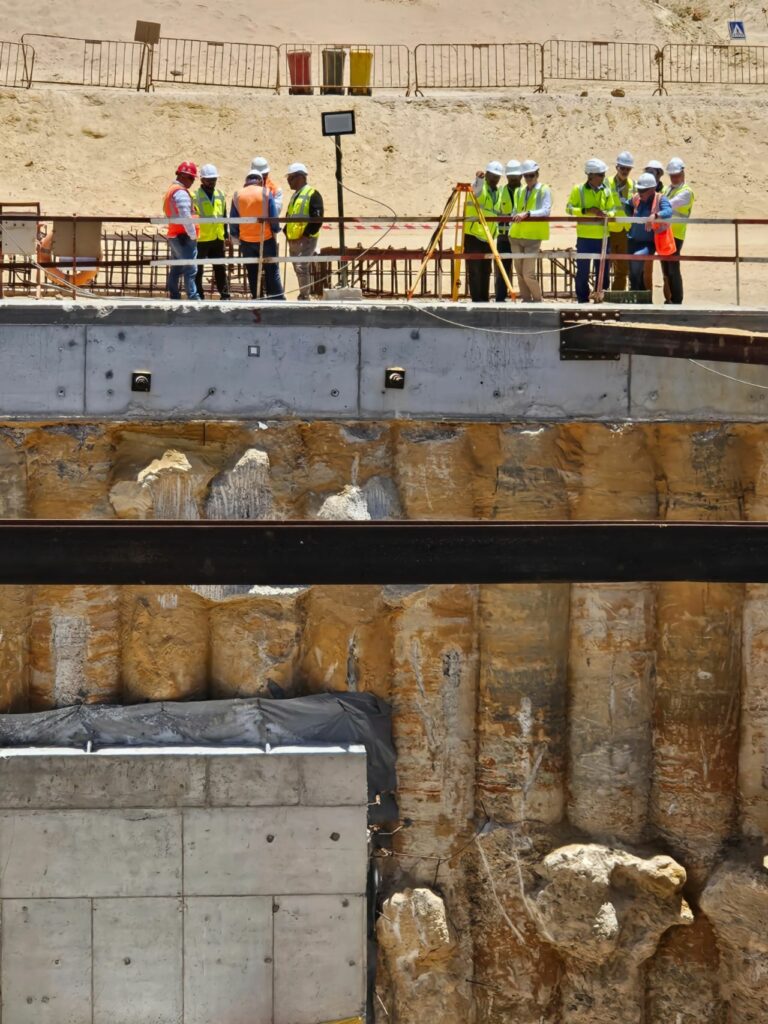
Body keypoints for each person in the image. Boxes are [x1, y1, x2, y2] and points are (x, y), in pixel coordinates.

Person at [230, 167, 284, 300]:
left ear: (247, 181)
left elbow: (233, 219)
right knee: (272, 270)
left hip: (246, 241)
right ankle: (276, 298)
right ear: (260, 181)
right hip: (265, 239)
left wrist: (235, 235)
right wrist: (275, 229)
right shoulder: (266, 192)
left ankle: (257, 299)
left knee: (252, 272)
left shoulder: (237, 195)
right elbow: (273, 216)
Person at [565, 158, 615, 303]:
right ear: (591, 175)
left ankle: (600, 298)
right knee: (583, 271)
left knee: (603, 271)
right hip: (585, 237)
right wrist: (586, 211)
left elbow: (612, 210)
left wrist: (607, 214)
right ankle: (582, 299)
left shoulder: (606, 190)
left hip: (603, 237)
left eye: (603, 174)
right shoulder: (578, 190)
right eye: (600, 175)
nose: (603, 177)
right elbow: (569, 208)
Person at [509, 159, 551, 303]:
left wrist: (528, 214)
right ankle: (526, 300)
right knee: (520, 273)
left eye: (531, 175)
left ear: (537, 174)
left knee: (528, 273)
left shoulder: (544, 190)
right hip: (516, 236)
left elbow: (546, 210)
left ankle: (538, 300)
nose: (528, 178)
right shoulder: (519, 191)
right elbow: (515, 210)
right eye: (526, 176)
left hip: (533, 237)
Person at [625, 172, 673, 293]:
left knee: (637, 259)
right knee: (633, 272)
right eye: (639, 189)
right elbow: (627, 204)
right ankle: (640, 294)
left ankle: (635, 292)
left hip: (648, 242)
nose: (640, 192)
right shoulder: (637, 198)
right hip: (633, 240)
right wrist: (631, 216)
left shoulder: (660, 199)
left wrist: (655, 216)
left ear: (652, 189)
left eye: (643, 190)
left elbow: (668, 211)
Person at [464, 161, 503, 302]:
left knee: (486, 270)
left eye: (497, 176)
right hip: (474, 234)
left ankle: (484, 299)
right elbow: (476, 188)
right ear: (487, 174)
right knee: (475, 269)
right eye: (492, 175)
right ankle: (476, 300)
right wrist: (479, 179)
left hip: (488, 236)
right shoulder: (480, 187)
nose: (494, 179)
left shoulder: (497, 192)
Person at [285, 162, 324, 300]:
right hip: (294, 239)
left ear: (300, 177)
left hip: (306, 239)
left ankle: (304, 296)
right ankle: (304, 294)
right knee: (298, 268)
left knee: (302, 267)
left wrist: (306, 235)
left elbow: (317, 218)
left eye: (291, 177)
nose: (288, 181)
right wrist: (286, 231)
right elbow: (290, 215)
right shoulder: (295, 195)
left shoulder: (313, 194)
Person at [193, 163, 231, 301]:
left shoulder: (220, 194)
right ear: (202, 179)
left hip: (217, 237)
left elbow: (223, 215)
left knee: (220, 268)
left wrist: (226, 234)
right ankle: (199, 295)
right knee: (198, 269)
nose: (212, 182)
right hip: (202, 238)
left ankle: (225, 295)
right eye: (209, 180)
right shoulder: (195, 196)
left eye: (214, 179)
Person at [163, 160, 200, 300]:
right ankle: (193, 297)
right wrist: (192, 234)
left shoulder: (172, 190)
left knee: (177, 267)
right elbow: (185, 215)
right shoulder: (180, 192)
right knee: (190, 268)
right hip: (183, 236)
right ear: (183, 176)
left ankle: (175, 296)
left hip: (175, 234)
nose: (192, 181)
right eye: (191, 178)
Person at [662, 157, 694, 305]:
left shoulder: (686, 192)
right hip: (664, 233)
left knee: (673, 268)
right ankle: (669, 299)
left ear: (683, 173)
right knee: (665, 269)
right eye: (672, 175)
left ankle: (677, 300)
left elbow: (668, 205)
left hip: (676, 234)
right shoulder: (667, 189)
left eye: (676, 175)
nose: (674, 178)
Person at [495, 159, 522, 302]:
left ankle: (526, 297)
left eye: (515, 177)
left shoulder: (526, 192)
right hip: (504, 237)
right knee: (502, 269)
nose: (513, 180)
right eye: (511, 177)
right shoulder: (500, 192)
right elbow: (495, 211)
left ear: (521, 176)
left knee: (523, 269)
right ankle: (500, 298)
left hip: (521, 236)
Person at [607, 151, 635, 291]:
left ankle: (617, 295)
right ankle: (602, 294)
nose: (625, 171)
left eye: (628, 169)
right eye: (622, 168)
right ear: (616, 167)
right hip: (609, 230)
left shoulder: (633, 184)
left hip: (626, 231)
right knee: (604, 265)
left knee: (622, 268)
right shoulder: (606, 183)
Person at [642, 160, 664, 292]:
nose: (651, 174)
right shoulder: (641, 187)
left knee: (667, 269)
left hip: (661, 234)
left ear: (659, 174)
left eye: (654, 172)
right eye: (648, 171)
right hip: (646, 233)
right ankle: (647, 297)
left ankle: (670, 300)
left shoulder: (664, 191)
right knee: (646, 268)